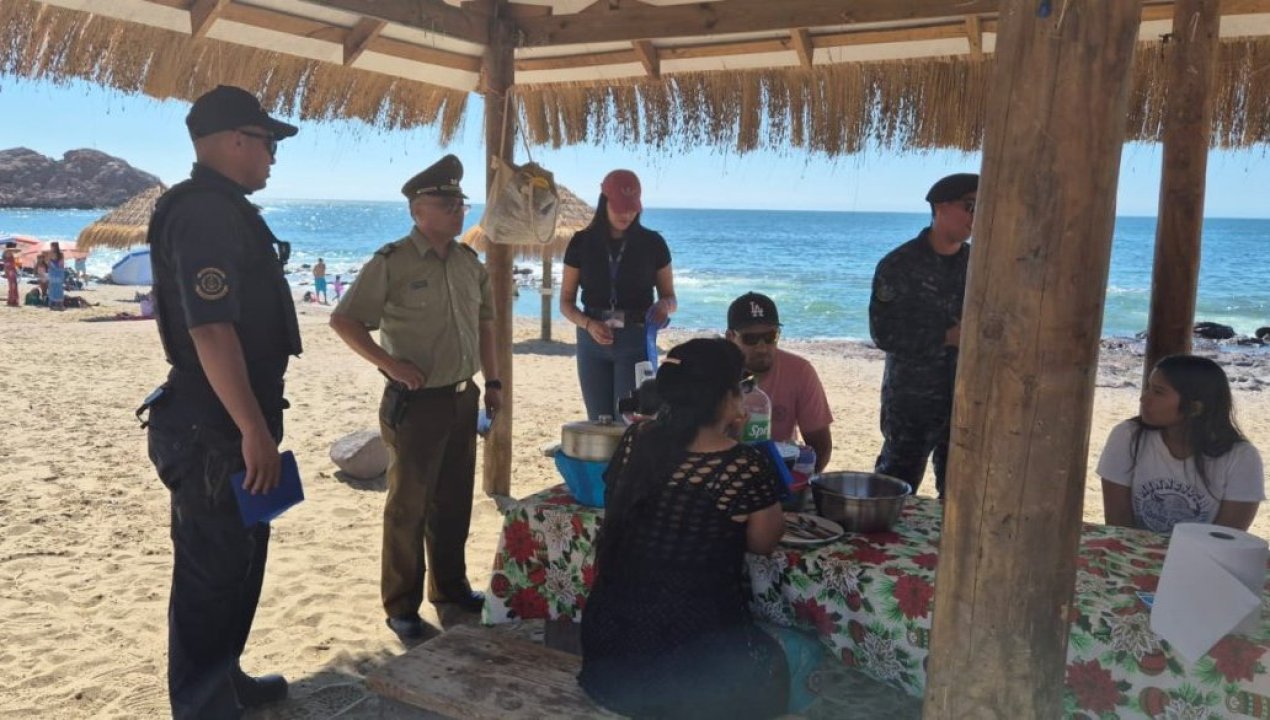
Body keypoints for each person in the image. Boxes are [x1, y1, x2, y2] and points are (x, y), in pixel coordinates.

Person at [142, 85, 301, 718]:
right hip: (214, 426)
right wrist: (252, 431)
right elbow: (210, 330)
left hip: (233, 418)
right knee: (210, 576)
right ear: (236, 140)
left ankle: (225, 680)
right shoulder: (204, 212)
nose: (273, 156)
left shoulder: (225, 208)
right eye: (267, 143)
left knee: (240, 562)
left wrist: (255, 426)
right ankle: (204, 706)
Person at [330, 154, 501, 640]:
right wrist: (390, 364)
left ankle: (450, 588)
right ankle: (401, 606)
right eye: (446, 203)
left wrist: (493, 383)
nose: (458, 210)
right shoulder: (392, 262)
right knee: (408, 506)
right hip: (416, 403)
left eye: (460, 203)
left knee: (454, 501)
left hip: (463, 397)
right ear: (417, 210)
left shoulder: (469, 263)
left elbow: (486, 325)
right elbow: (344, 320)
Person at [579, 338, 788, 719]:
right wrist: (735, 445)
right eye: (740, 386)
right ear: (726, 397)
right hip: (692, 665)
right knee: (782, 660)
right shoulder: (743, 465)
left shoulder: (636, 440)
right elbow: (764, 542)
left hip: (610, 651)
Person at [869, 173, 977, 498]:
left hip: (968, 399)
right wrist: (946, 337)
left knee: (961, 496)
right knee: (893, 491)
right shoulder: (899, 265)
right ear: (940, 207)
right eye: (970, 206)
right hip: (911, 402)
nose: (976, 217)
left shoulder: (980, 265)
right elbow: (884, 333)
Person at [1098, 355, 1264, 534]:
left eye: (1158, 392)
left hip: (1203, 551)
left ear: (1195, 408)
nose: (1144, 398)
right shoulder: (1128, 436)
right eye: (1148, 388)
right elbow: (1118, 525)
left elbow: (1225, 538)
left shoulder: (1241, 457)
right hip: (1134, 547)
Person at [560, 169, 676, 420]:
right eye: (620, 208)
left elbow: (671, 298)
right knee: (598, 421)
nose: (626, 215)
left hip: (636, 340)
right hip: (591, 340)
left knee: (631, 422)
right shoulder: (581, 242)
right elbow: (566, 303)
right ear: (604, 202)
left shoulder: (653, 243)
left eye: (632, 208)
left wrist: (664, 306)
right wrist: (588, 324)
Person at [726, 292, 833, 472]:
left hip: (781, 472)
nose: (762, 348)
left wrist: (797, 483)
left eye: (770, 336)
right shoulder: (712, 373)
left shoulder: (800, 371)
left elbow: (820, 448)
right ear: (730, 337)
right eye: (751, 339)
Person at [46, 242, 66, 311]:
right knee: (54, 288)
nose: (51, 248)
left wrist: (54, 266)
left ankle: (58, 304)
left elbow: (62, 264)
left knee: (57, 288)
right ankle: (54, 305)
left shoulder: (60, 254)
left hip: (57, 273)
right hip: (55, 273)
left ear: (55, 247)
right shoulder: (51, 254)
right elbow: (48, 263)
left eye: (52, 246)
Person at [3, 242, 17, 307]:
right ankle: (12, 300)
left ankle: (11, 300)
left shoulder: (6, 252)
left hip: (10, 270)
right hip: (10, 271)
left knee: (12, 285)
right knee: (13, 285)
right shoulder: (8, 251)